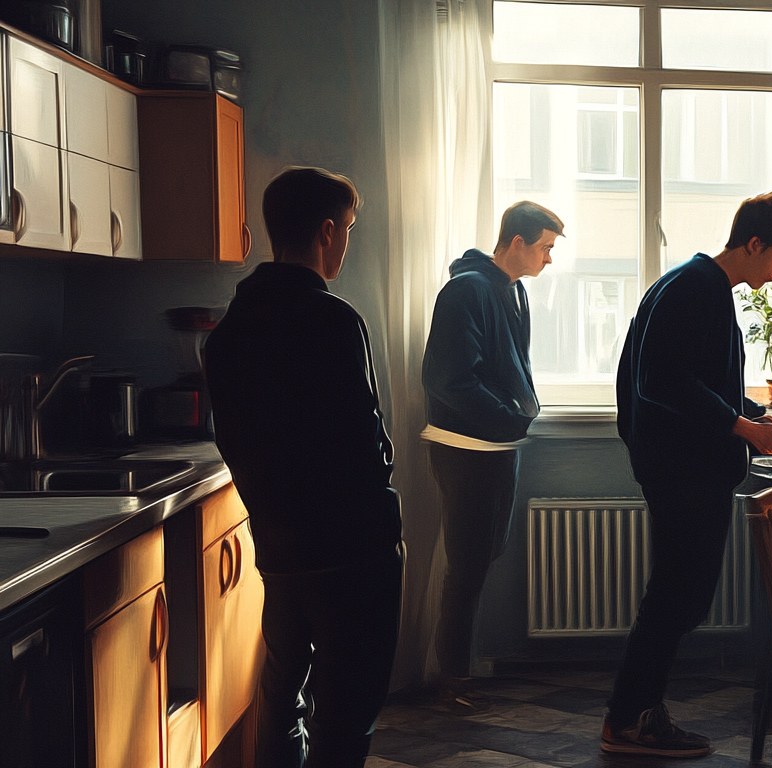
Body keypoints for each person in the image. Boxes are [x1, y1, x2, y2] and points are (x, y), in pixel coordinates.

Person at [204, 167, 402, 767]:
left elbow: (235, 440)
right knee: (348, 709)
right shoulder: (336, 321)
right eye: (347, 229)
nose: (346, 242)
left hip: (281, 551)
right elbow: (367, 446)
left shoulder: (227, 333)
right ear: (325, 231)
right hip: (353, 552)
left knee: (283, 694)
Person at [603, 192, 772, 757]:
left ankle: (636, 711)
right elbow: (660, 380)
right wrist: (742, 428)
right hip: (683, 474)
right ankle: (628, 720)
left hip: (684, 470)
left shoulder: (700, 286)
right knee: (677, 597)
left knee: (679, 596)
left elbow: (696, 378)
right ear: (753, 244)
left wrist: (747, 410)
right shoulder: (695, 288)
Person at [421, 201, 562, 702]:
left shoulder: (512, 289)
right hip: (467, 448)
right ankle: (452, 678)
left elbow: (509, 369)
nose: (549, 259)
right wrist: (509, 416)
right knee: (467, 563)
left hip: (496, 443)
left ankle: (457, 673)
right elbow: (449, 381)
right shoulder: (467, 291)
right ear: (517, 243)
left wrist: (516, 416)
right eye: (545, 247)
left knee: (481, 558)